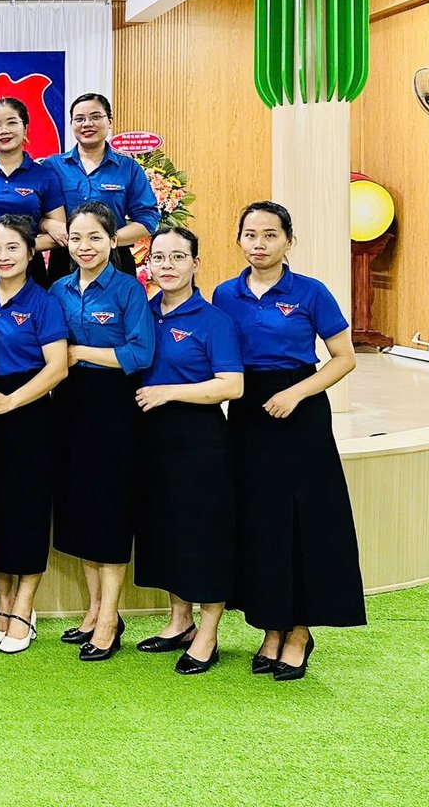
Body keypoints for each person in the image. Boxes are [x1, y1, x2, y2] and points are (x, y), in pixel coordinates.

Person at [212, 201, 363, 682]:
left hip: (300, 412)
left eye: (270, 235)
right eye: (250, 234)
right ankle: (271, 626)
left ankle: (299, 632)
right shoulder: (225, 293)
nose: (259, 244)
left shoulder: (310, 292)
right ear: (239, 239)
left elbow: (344, 358)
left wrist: (296, 393)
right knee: (260, 521)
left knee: (303, 522)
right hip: (248, 413)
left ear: (289, 241)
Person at [132, 226, 243, 676]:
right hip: (152, 439)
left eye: (178, 257)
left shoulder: (214, 320)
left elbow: (231, 385)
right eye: (159, 257)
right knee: (167, 532)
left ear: (195, 264)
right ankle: (179, 621)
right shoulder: (143, 312)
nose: (168, 266)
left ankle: (208, 633)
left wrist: (169, 392)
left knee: (203, 536)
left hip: (199, 442)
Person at [48, 201, 156, 662]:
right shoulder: (57, 289)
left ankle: (110, 617)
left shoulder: (129, 289)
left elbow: (140, 353)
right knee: (82, 509)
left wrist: (81, 354)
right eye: (76, 238)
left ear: (113, 241)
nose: (85, 246)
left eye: (95, 237)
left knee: (110, 511)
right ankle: (93, 610)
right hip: (69, 406)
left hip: (115, 407)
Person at [0, 214, 69, 654]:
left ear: (31, 253)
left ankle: (23, 608)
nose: (3, 256)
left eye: (13, 247)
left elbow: (57, 367)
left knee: (27, 512)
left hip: (28, 414)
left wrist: (10, 402)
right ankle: (2, 602)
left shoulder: (45, 302)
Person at [43, 93, 159, 279]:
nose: (87, 124)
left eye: (95, 117)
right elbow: (35, 213)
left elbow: (148, 219)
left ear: (110, 121)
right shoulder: (52, 166)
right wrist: (47, 223)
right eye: (79, 119)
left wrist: (107, 241)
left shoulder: (128, 167)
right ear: (71, 124)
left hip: (115, 260)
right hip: (65, 262)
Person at [0, 96, 65, 283]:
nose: (4, 130)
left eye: (12, 122)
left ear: (25, 127)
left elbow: (59, 234)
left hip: (31, 269)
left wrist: (21, 248)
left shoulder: (45, 176)